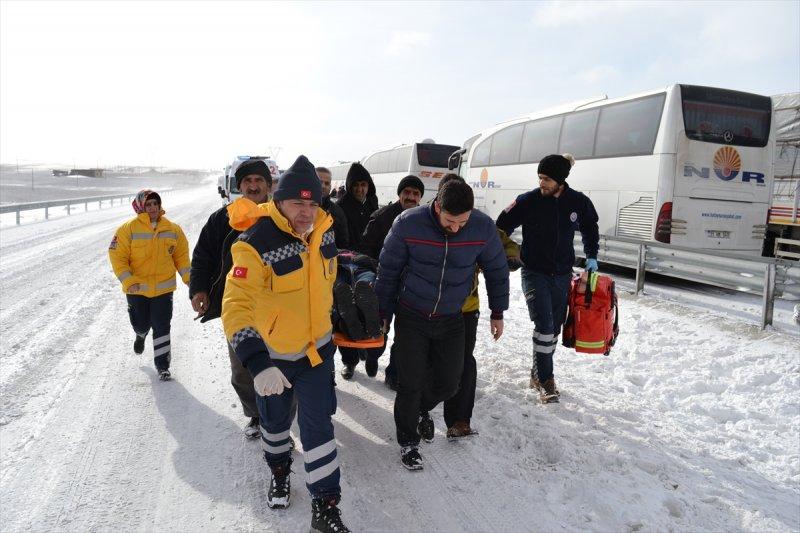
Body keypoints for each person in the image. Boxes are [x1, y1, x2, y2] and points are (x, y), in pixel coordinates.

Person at [222, 155, 350, 533]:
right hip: (275, 359)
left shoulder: (324, 230)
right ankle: (279, 472)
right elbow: (235, 306)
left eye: (313, 203)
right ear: (279, 200)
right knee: (275, 426)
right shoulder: (254, 243)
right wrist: (257, 363)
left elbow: (326, 280)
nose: (306, 212)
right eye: (298, 203)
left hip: (317, 354)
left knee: (318, 429)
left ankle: (326, 505)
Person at [374, 179, 509, 470]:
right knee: (410, 382)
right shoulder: (408, 224)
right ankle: (408, 442)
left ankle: (422, 408)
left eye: (463, 221)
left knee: (451, 382)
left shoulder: (482, 228)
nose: (457, 228)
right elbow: (388, 271)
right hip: (412, 314)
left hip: (451, 317)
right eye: (450, 221)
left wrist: (498, 312)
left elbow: (497, 270)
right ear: (437, 207)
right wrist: (382, 313)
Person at [496, 153, 599, 404]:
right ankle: (545, 379)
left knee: (553, 329)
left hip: (562, 274)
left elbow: (590, 227)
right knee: (543, 325)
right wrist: (511, 251)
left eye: (547, 179)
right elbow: (500, 226)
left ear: (560, 181)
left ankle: (536, 372)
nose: (542, 183)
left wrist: (591, 256)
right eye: (540, 178)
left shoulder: (578, 202)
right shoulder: (527, 201)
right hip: (534, 272)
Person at [190, 159, 279, 438]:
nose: (253, 186)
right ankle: (255, 414)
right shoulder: (222, 219)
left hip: (278, 305)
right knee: (242, 366)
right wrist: (199, 289)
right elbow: (202, 256)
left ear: (269, 184)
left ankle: (278, 421)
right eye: (247, 181)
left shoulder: (281, 215)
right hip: (237, 306)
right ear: (239, 186)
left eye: (259, 181)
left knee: (278, 362)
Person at [340, 174, 425, 384]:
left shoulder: (425, 220)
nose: (411, 197)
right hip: (383, 282)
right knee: (380, 327)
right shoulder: (382, 216)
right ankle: (366, 357)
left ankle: (393, 374)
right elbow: (365, 248)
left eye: (416, 193)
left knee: (405, 334)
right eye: (407, 192)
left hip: (412, 286)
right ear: (399, 194)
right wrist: (377, 268)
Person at [108, 189, 190, 381]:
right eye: (149, 204)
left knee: (162, 326)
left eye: (156, 204)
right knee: (141, 322)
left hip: (163, 289)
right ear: (141, 207)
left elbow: (182, 259)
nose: (153, 208)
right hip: (137, 289)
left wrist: (191, 281)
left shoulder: (173, 229)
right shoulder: (127, 229)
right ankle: (140, 334)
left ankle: (162, 365)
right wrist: (129, 281)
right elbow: (117, 257)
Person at [337, 162, 378, 248]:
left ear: (368, 186)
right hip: (351, 253)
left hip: (371, 249)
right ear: (350, 186)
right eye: (356, 185)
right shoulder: (341, 206)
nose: (359, 189)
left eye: (363, 185)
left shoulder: (372, 201)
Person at [316, 166, 350, 249]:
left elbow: (343, 243)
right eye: (319, 182)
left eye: (327, 183)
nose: (323, 186)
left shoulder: (337, 211)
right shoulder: (299, 208)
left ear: (330, 187)